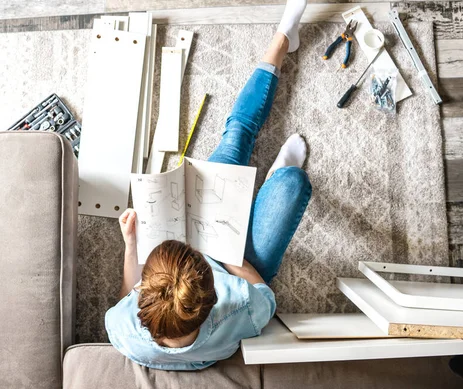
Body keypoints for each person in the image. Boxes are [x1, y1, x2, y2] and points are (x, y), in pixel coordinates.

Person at [104, 0, 311, 370]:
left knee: (236, 138)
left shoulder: (123, 330)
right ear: (213, 300)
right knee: (292, 183)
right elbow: (264, 293)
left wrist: (132, 243)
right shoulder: (240, 312)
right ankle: (277, 174)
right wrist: (226, 252)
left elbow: (123, 298)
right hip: (236, 258)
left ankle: (282, 42)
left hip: (206, 256)